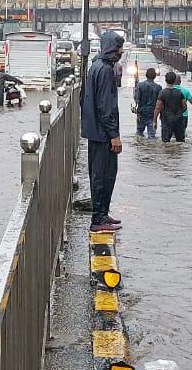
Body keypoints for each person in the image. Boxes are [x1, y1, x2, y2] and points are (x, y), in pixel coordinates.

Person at [82, 30, 124, 233]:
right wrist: (114, 134)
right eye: (118, 48)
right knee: (104, 175)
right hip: (103, 134)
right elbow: (106, 106)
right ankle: (98, 218)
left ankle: (101, 214)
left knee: (99, 174)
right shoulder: (106, 70)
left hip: (95, 131)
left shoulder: (95, 66)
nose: (121, 52)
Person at [155, 72, 192, 143]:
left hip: (167, 118)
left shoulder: (163, 92)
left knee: (167, 138)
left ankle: (169, 152)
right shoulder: (184, 91)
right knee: (180, 137)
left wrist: (156, 119)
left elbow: (158, 107)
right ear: (180, 81)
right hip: (182, 117)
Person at [132, 68, 161, 138]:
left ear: (146, 75)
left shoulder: (140, 85)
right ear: (155, 76)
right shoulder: (158, 88)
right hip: (152, 114)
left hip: (141, 113)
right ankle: (150, 148)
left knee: (139, 134)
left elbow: (136, 99)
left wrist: (134, 90)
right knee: (152, 136)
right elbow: (160, 103)